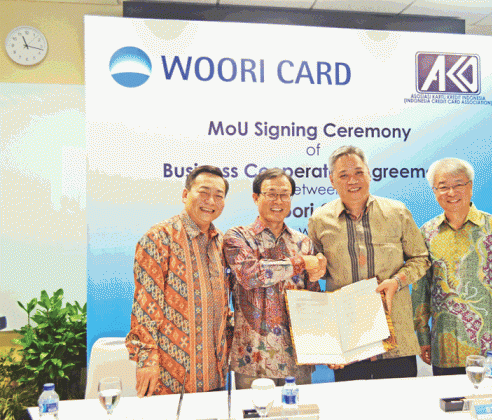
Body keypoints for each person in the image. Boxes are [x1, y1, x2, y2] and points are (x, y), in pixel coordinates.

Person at [308, 145, 430, 381]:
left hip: (396, 340)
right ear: (332, 180)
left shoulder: (397, 212)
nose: (352, 180)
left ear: (369, 173)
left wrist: (397, 281)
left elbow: (421, 258)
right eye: (344, 175)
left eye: (358, 172)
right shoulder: (319, 220)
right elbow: (315, 275)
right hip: (349, 343)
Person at [412, 157, 492, 376]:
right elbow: (421, 290)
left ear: (471, 186)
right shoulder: (426, 233)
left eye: (458, 185)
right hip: (446, 350)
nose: (451, 192)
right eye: (443, 187)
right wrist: (422, 335)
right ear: (434, 191)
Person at [126, 165, 232, 396]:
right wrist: (147, 360)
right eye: (203, 192)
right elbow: (145, 308)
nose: (210, 201)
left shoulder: (221, 243)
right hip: (170, 379)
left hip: (216, 376)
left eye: (218, 195)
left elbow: (224, 308)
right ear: (185, 194)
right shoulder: (159, 238)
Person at [223, 168, 326, 390]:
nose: (278, 201)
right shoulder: (238, 237)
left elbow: (312, 300)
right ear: (256, 197)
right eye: (271, 194)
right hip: (252, 360)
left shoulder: (303, 243)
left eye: (284, 195)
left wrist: (316, 271)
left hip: (296, 361)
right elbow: (250, 275)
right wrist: (301, 263)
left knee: (299, 409)